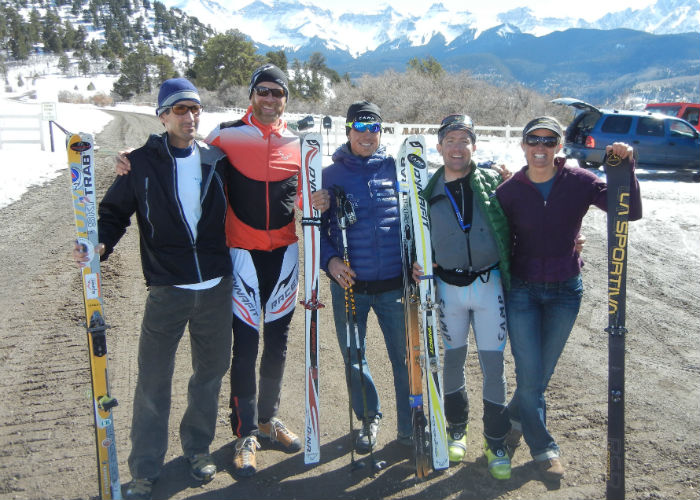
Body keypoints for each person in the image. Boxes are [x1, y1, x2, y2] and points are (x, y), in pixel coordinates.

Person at [116, 65, 330, 478]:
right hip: (241, 257)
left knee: (278, 345)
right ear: (252, 95)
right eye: (262, 91)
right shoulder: (224, 138)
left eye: (277, 93)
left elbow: (308, 193)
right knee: (245, 348)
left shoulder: (299, 144)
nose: (270, 99)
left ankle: (268, 419)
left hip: (284, 254)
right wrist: (131, 162)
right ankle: (245, 432)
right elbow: (181, 152)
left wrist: (320, 197)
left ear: (286, 98)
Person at [74, 78, 234, 500]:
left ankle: (197, 449)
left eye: (195, 109)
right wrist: (101, 244)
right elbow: (113, 213)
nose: (189, 117)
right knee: (153, 381)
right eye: (179, 110)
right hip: (168, 289)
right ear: (162, 116)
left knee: (209, 375)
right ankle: (144, 467)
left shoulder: (217, 159)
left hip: (216, 286)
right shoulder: (141, 163)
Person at [495, 116, 642, 481]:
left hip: (565, 291)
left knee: (538, 376)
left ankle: (512, 421)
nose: (541, 148)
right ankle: (545, 449)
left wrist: (626, 165)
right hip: (523, 293)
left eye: (549, 141)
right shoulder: (510, 190)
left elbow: (629, 210)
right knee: (531, 375)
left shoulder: (579, 181)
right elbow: (495, 237)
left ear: (559, 146)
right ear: (524, 145)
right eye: (534, 141)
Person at [412, 114, 513, 479]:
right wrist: (415, 262)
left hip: (488, 285)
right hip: (447, 290)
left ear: (474, 145)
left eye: (464, 140)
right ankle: (457, 428)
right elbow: (411, 233)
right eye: (450, 140)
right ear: (439, 147)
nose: (457, 147)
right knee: (451, 362)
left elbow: (527, 216)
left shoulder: (493, 181)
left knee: (494, 368)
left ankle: (495, 440)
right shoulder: (424, 188)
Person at [319, 101, 412, 453]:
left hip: (394, 286)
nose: (367, 134)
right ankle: (369, 418)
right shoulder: (328, 175)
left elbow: (422, 210)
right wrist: (330, 262)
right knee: (354, 357)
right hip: (350, 286)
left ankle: (409, 424)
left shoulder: (397, 168)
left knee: (404, 358)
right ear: (348, 130)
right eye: (360, 127)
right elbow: (317, 230)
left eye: (374, 128)